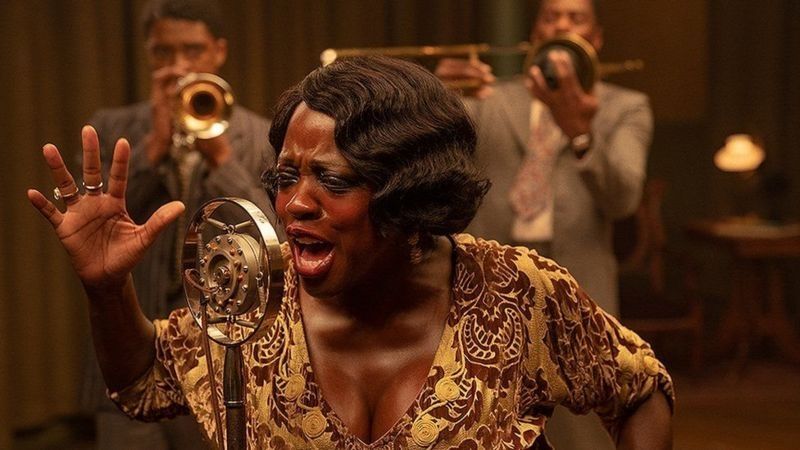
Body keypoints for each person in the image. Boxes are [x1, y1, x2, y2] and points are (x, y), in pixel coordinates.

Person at [29, 55, 672, 449]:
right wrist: (106, 287)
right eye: (286, 177)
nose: (295, 205)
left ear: (407, 193)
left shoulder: (516, 292)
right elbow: (142, 382)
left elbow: (641, 389)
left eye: (332, 181)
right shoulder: (254, 300)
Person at [435, 2, 652, 447]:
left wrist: (580, 132)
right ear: (535, 35)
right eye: (551, 17)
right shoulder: (488, 98)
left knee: (583, 421)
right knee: (486, 408)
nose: (562, 25)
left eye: (576, 18)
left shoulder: (626, 107)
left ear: (596, 39)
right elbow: (434, 162)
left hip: (581, 281)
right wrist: (436, 98)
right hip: (491, 281)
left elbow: (623, 200)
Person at [79, 0, 280, 448]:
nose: (179, 66)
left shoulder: (263, 136)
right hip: (129, 353)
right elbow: (92, 230)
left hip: (222, 356)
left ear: (219, 52)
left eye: (193, 50)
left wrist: (221, 157)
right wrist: (153, 146)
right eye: (163, 52)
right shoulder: (110, 128)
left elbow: (272, 237)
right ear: (148, 54)